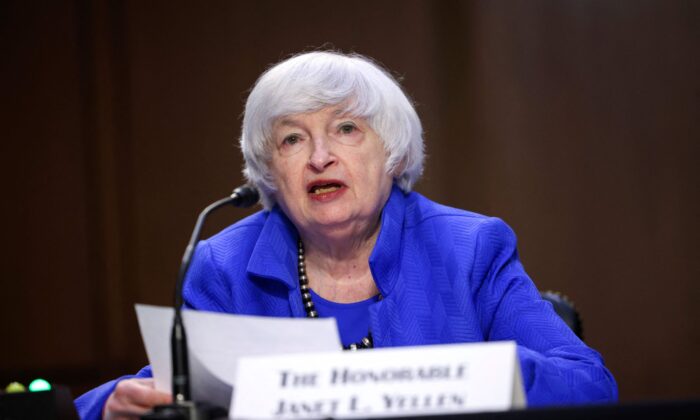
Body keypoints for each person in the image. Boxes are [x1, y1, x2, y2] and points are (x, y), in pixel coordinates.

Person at [75, 51, 617, 419]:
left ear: (393, 152)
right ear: (269, 170)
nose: (319, 157)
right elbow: (169, 385)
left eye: (347, 129)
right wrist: (107, 405)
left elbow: (590, 387)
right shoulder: (223, 264)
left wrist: (468, 373)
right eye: (292, 139)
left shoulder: (470, 248)